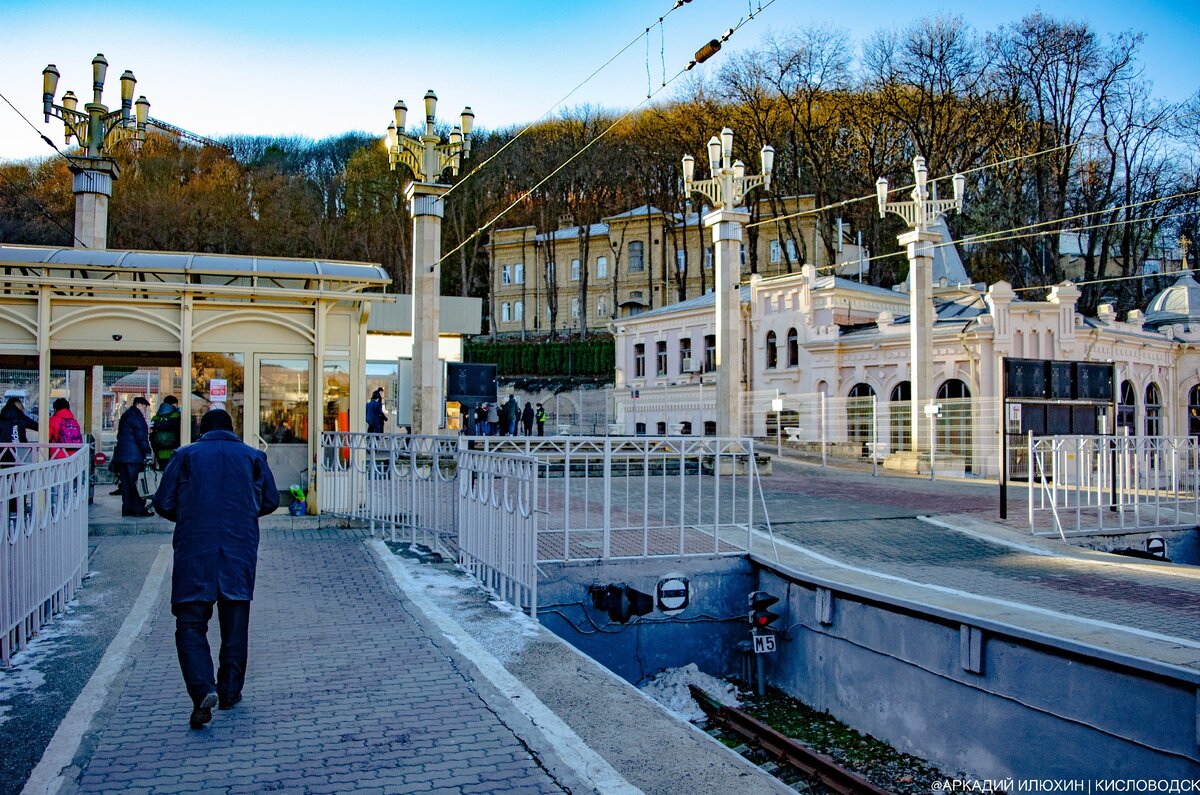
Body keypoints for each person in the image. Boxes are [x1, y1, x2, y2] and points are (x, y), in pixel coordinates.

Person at [154, 409, 279, 729]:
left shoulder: (185, 456)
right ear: (232, 430)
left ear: (202, 432)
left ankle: (202, 689)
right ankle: (229, 692)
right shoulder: (253, 457)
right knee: (235, 622)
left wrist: (190, 513)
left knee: (190, 623)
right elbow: (270, 500)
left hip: (195, 550)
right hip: (239, 549)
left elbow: (163, 502)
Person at [113, 396, 153, 517]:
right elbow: (142, 438)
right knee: (137, 484)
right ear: (139, 405)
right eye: (144, 407)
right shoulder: (137, 417)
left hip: (121, 456)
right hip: (134, 457)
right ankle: (139, 509)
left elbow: (119, 435)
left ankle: (127, 508)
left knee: (126, 485)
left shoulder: (126, 415)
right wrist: (148, 452)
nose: (145, 409)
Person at [150, 395, 183, 471]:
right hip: (175, 451)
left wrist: (155, 448)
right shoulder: (178, 415)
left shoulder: (155, 418)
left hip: (160, 452)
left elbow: (151, 435)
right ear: (174, 404)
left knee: (163, 474)